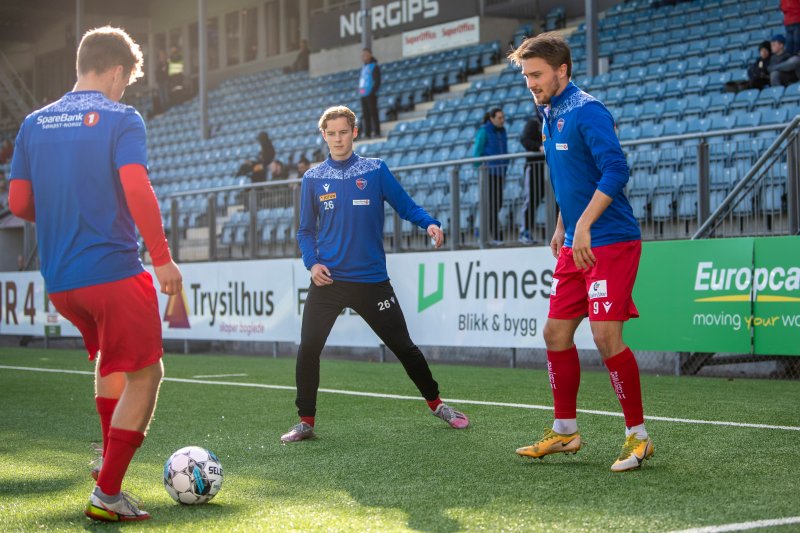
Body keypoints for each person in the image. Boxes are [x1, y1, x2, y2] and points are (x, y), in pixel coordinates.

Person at [8, 26, 182, 519]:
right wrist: (163, 257)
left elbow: (18, 202)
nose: (124, 88)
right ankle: (107, 494)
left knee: (111, 362)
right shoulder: (121, 117)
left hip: (62, 281)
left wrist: (65, 212)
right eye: (126, 79)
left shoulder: (33, 122)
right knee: (147, 374)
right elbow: (137, 187)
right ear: (117, 71)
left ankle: (106, 461)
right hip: (113, 271)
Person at [507, 32, 653, 472]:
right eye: (526, 76)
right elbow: (570, 176)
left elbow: (615, 169)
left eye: (536, 75)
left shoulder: (588, 110)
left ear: (562, 71)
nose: (530, 83)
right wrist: (563, 224)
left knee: (607, 338)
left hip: (610, 242)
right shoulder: (548, 110)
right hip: (576, 242)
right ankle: (566, 431)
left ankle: (638, 437)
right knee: (555, 334)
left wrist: (584, 223)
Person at [282, 105, 469, 443]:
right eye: (332, 133)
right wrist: (312, 263)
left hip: (371, 280)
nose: (338, 139)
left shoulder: (375, 170)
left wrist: (429, 223)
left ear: (354, 132)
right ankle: (305, 421)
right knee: (308, 348)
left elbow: (406, 205)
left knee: (404, 347)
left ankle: (438, 403)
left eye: (343, 132)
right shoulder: (312, 178)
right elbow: (305, 231)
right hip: (329, 281)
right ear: (324, 136)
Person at [472, 107, 509, 244]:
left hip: (500, 173)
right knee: (492, 205)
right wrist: (481, 170)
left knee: (497, 204)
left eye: (503, 117)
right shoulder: (484, 131)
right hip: (488, 174)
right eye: (499, 118)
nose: (502, 120)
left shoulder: (503, 131)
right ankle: (495, 236)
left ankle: (484, 232)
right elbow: (477, 152)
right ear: (492, 118)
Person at [518, 114, 545, 244]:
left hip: (548, 169)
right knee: (531, 200)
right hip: (534, 168)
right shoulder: (533, 123)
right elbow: (524, 140)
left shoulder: (553, 121)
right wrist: (539, 147)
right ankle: (524, 232)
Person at [358, 48, 381, 139]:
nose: (364, 57)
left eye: (365, 55)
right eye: (362, 55)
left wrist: (372, 92)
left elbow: (377, 81)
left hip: (370, 94)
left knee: (373, 114)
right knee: (365, 115)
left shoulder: (374, 66)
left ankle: (376, 132)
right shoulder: (363, 68)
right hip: (363, 94)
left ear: (370, 55)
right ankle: (367, 133)